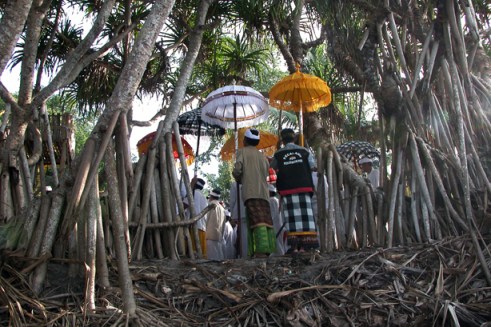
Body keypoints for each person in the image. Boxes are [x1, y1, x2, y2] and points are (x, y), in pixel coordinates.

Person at [270, 128, 319, 253]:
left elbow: (272, 168)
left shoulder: (278, 154)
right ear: (294, 138)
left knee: (292, 218)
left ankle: (295, 247)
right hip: (304, 186)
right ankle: (306, 246)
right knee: (306, 217)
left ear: (282, 139)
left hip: (287, 189)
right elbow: (313, 166)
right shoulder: (304, 151)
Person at [232, 128, 276, 258]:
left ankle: (260, 251)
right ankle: (266, 249)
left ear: (245, 141)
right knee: (265, 220)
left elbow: (238, 169)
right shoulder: (263, 157)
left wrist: (237, 177)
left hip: (251, 192)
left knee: (257, 222)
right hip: (264, 193)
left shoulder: (242, 152)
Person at [183, 177, 208, 257]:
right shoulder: (203, 197)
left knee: (192, 254)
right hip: (202, 229)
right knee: (200, 254)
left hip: (193, 228)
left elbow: (183, 206)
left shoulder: (192, 194)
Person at [205, 188, 226, 260]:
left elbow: (205, 219)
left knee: (211, 262)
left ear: (211, 196)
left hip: (210, 237)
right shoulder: (222, 208)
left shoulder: (211, 205)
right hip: (219, 238)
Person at [229, 182, 247, 257]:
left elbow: (232, 201)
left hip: (241, 213)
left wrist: (232, 216)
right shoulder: (250, 181)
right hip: (250, 211)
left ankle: (245, 256)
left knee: (244, 237)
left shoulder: (234, 184)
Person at [268, 184, 287, 255]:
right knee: (279, 241)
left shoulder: (271, 200)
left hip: (274, 224)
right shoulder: (276, 200)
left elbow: (272, 214)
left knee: (276, 242)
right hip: (279, 223)